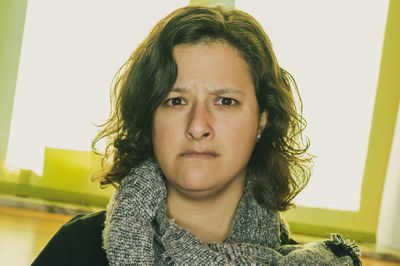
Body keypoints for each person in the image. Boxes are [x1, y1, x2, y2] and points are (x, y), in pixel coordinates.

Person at [32, 5, 362, 265]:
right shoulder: (76, 249)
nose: (198, 125)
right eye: (175, 101)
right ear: (149, 117)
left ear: (262, 120)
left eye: (225, 101)